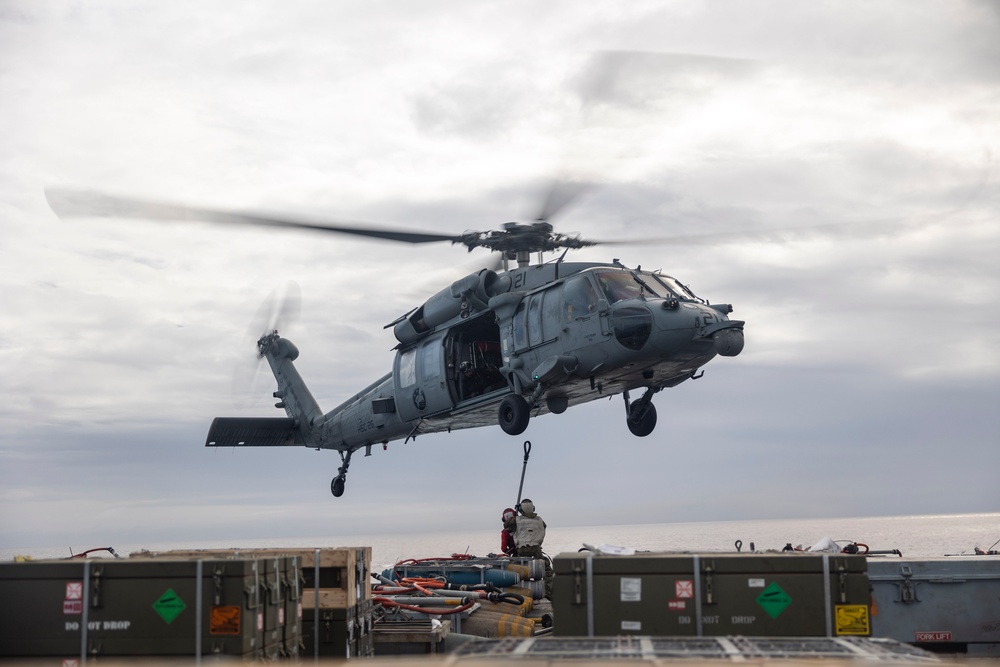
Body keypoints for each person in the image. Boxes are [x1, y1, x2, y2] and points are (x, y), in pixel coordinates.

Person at [504, 498, 553, 599]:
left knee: (516, 568)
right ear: (533, 508)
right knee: (546, 569)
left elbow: (506, 526)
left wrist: (516, 514)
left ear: (521, 509)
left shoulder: (516, 520)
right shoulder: (540, 520)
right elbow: (543, 528)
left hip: (521, 550)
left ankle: (517, 590)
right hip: (536, 550)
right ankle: (548, 591)